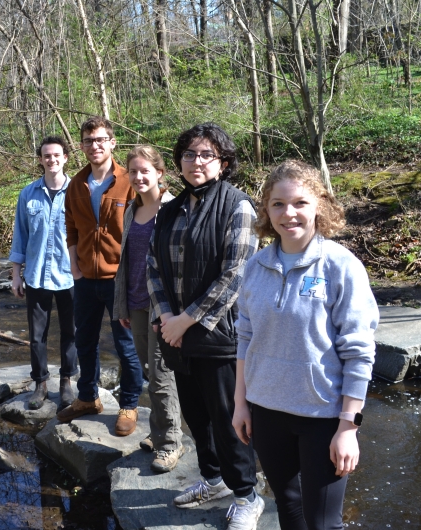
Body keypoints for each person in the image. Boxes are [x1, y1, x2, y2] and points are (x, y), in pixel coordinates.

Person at [232, 160, 378, 530]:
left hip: (324, 417)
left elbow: (358, 352)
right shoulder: (255, 266)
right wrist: (240, 404)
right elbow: (245, 338)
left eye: (300, 202)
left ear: (320, 207)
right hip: (266, 411)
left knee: (323, 521)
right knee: (288, 506)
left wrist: (349, 426)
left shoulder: (341, 267)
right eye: (278, 204)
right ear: (266, 209)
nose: (288, 213)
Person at [148, 123, 263, 528]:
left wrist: (185, 319)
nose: (197, 161)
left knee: (230, 421)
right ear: (179, 162)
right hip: (175, 336)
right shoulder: (169, 209)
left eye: (206, 155)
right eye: (189, 154)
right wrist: (166, 317)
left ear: (223, 162)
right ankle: (212, 479)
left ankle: (248, 495)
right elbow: (152, 267)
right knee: (196, 417)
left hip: (220, 336)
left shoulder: (237, 206)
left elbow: (236, 274)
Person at [56, 116, 144, 438]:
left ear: (112, 143)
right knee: (85, 341)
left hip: (119, 280)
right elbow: (70, 228)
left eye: (101, 140)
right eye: (89, 141)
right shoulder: (76, 184)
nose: (95, 146)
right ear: (81, 146)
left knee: (126, 344)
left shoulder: (129, 181)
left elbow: (143, 228)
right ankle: (87, 397)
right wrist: (75, 267)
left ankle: (130, 403)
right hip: (85, 280)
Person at [113, 146, 183, 472]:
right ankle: (159, 433)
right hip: (137, 302)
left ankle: (171, 444)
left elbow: (178, 264)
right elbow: (127, 259)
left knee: (160, 374)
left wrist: (172, 311)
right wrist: (124, 304)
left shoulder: (172, 209)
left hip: (163, 307)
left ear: (159, 173)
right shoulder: (131, 209)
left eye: (145, 171)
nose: (139, 177)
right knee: (148, 371)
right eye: (133, 172)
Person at [8, 136, 78, 412]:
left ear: (65, 158)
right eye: (47, 156)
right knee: (37, 335)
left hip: (70, 275)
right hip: (36, 275)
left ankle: (66, 383)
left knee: (71, 332)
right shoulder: (28, 194)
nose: (52, 160)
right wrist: (16, 274)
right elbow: (20, 236)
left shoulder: (77, 192)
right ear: (40, 160)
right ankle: (40, 385)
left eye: (57, 155)